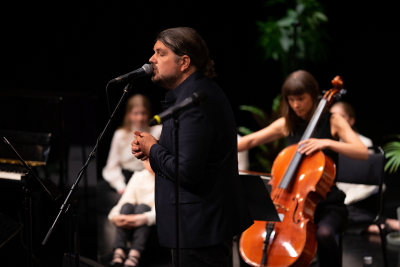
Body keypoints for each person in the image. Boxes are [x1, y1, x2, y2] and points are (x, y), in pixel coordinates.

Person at [131, 27, 253, 266]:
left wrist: (152, 148)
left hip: (200, 228)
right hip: (195, 225)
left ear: (184, 62)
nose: (151, 59)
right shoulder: (190, 94)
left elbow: (187, 171)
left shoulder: (195, 100)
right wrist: (150, 148)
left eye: (160, 53)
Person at [238, 70, 368, 267]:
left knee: (324, 234)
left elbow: (362, 152)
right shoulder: (287, 124)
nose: (296, 105)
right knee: (249, 233)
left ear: (313, 95)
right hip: (289, 203)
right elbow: (251, 140)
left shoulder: (333, 121)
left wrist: (327, 143)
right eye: (291, 99)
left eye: (301, 98)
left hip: (326, 203)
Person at [331, 101, 400, 233]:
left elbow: (366, 181)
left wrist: (346, 198)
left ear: (351, 121)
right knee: (329, 217)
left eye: (342, 117)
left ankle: (381, 224)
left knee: (339, 214)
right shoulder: (330, 143)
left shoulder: (363, 143)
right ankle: (381, 225)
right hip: (344, 197)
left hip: (361, 197)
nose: (337, 121)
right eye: (333, 117)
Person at [103, 94, 162, 194]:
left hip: (151, 179)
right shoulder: (121, 134)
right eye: (135, 113)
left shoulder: (158, 130)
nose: (140, 118)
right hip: (127, 179)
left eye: (143, 113)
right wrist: (120, 186)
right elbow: (111, 166)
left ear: (148, 113)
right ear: (128, 114)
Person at [108, 159, 155, 267]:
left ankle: (135, 253)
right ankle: (119, 250)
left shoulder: (165, 179)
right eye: (146, 159)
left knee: (142, 208)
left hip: (153, 228)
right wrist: (115, 218)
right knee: (126, 206)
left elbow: (164, 212)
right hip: (134, 224)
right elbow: (124, 201)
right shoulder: (138, 176)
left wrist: (140, 219)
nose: (149, 162)